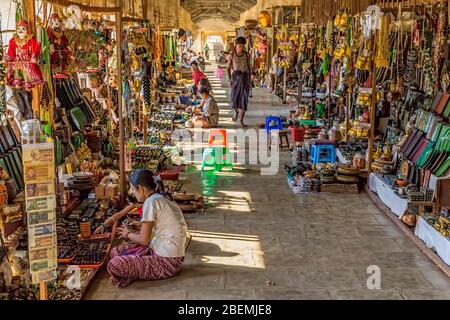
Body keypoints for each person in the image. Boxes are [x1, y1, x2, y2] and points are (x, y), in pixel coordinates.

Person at [107, 170, 187, 288]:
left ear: (141, 189)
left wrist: (127, 233)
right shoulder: (161, 197)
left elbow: (144, 240)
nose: (133, 193)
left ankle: (132, 272)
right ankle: (134, 270)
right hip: (165, 253)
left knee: (114, 265)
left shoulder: (151, 202)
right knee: (116, 252)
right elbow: (162, 225)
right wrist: (140, 225)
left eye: (133, 190)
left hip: (167, 262)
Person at [227, 36, 251, 127]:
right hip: (236, 79)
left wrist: (250, 80)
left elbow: (249, 68)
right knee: (234, 99)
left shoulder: (247, 55)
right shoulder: (231, 55)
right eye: (239, 46)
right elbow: (228, 69)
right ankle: (236, 112)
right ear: (235, 45)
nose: (241, 48)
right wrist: (230, 81)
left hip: (245, 79)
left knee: (244, 100)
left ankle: (241, 120)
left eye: (243, 46)